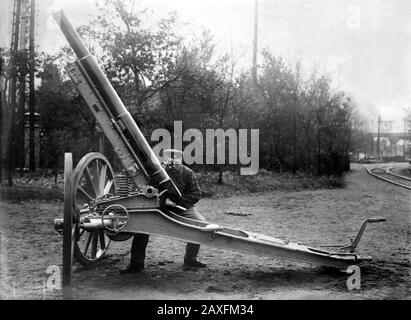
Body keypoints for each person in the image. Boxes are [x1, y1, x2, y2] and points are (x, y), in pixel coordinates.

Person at [120, 149, 207, 274]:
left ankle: (191, 258)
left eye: (176, 160)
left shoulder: (188, 173)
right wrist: (162, 201)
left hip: (183, 208)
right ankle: (137, 263)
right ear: (164, 160)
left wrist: (179, 203)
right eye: (169, 160)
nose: (172, 163)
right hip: (159, 208)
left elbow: (196, 194)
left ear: (180, 161)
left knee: (200, 225)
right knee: (142, 228)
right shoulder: (157, 173)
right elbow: (149, 192)